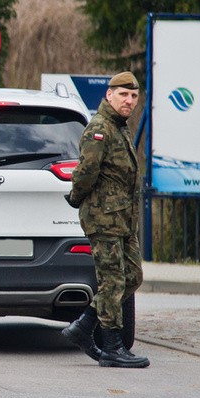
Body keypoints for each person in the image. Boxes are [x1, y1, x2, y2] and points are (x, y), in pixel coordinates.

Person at [63, 71, 150, 368]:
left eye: (134, 96)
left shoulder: (119, 128)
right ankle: (112, 347)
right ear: (108, 95)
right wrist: (76, 197)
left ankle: (84, 326)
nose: (129, 100)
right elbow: (86, 173)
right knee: (112, 281)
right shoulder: (99, 129)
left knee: (132, 277)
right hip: (104, 218)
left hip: (123, 220)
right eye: (123, 94)